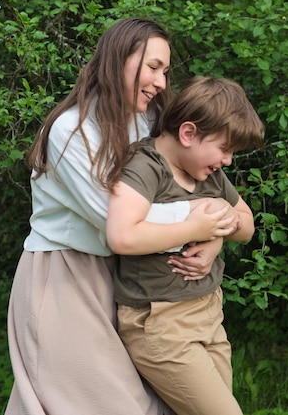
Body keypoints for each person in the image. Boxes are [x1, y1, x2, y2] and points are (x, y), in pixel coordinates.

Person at [4, 19, 239, 415]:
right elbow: (116, 221)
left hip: (131, 278)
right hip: (65, 277)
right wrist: (202, 221)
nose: (162, 82)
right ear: (117, 61)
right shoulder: (69, 130)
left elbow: (199, 184)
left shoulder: (147, 120)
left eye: (165, 71)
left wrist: (212, 233)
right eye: (153, 67)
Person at [106, 76, 265, 415]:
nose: (228, 161)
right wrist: (195, 226)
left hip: (208, 312)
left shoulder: (207, 174)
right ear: (189, 133)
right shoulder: (145, 168)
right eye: (225, 149)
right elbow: (122, 236)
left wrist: (217, 234)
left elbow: (247, 224)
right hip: (161, 322)